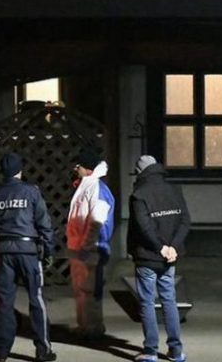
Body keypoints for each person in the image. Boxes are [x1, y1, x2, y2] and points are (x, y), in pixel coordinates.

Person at [0, 153, 56, 362]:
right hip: (28, 251)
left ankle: (1, 352)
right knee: (36, 299)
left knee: (4, 303)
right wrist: (48, 251)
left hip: (3, 252)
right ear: (20, 170)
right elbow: (44, 224)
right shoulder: (31, 192)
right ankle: (43, 350)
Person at [128, 155, 191, 362]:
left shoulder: (139, 194)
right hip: (170, 257)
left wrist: (160, 247)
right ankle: (176, 350)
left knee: (147, 302)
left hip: (147, 256)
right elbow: (185, 221)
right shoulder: (174, 190)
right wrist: (173, 247)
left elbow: (143, 226)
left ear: (140, 172)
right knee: (169, 300)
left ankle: (150, 351)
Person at [65, 150, 115, 339]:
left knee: (89, 290)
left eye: (78, 166)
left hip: (91, 248)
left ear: (87, 168)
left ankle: (93, 328)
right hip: (82, 247)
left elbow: (96, 222)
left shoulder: (96, 188)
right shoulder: (89, 185)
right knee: (83, 289)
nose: (75, 169)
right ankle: (86, 325)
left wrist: (86, 246)